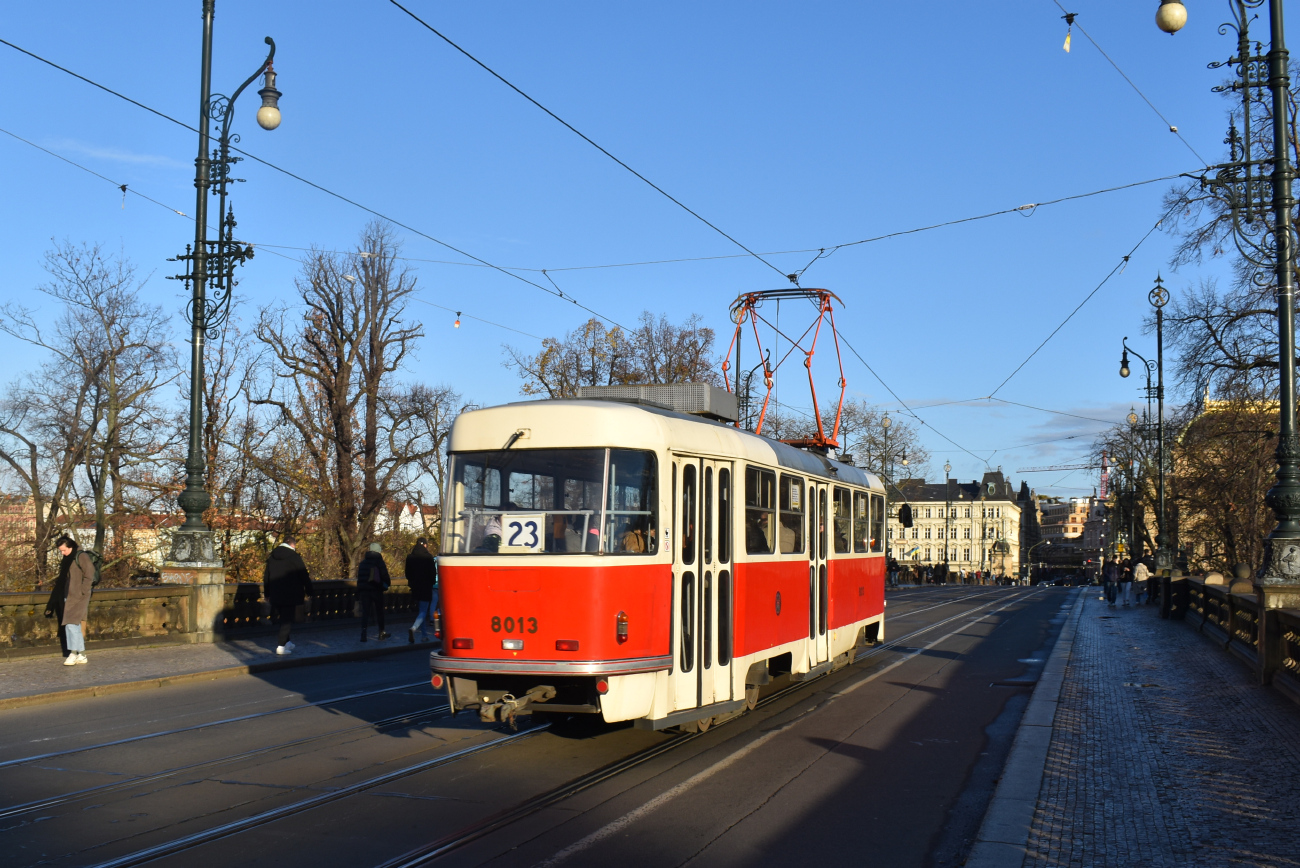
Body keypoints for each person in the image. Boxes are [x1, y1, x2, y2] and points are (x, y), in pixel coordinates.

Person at [263, 534, 314, 655]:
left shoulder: (272, 557)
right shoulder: (294, 557)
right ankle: (281, 646)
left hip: (275, 593)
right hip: (291, 593)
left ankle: (287, 642)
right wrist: (309, 591)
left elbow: (266, 577)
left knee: (283, 618)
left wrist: (267, 593)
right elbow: (303, 575)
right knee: (287, 620)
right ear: (293, 544)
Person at [51, 536, 94, 665]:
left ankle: (73, 653)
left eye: (64, 550)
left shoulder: (81, 556)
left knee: (71, 624)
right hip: (69, 595)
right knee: (74, 625)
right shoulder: (69, 558)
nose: (62, 553)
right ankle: (82, 654)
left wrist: (82, 591)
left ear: (70, 547)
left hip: (78, 596)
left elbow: (90, 574)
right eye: (61, 551)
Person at [357, 542, 392, 642]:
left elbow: (360, 578)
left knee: (365, 612)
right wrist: (386, 584)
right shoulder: (379, 562)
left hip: (365, 591)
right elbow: (384, 575)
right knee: (379, 612)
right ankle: (381, 632)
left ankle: (363, 633)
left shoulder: (363, 563)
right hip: (376, 590)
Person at [405, 537, 438, 643]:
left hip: (415, 587)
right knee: (423, 611)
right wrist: (432, 582)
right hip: (426, 586)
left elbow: (407, 573)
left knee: (421, 611)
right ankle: (414, 628)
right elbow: (432, 573)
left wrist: (412, 582)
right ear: (425, 545)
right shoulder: (428, 557)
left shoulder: (410, 557)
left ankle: (424, 635)